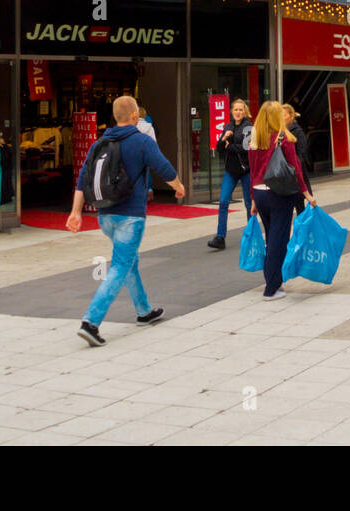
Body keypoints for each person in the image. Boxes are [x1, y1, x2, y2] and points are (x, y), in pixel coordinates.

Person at [68, 96, 186, 346]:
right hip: (130, 216)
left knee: (129, 260)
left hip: (105, 216)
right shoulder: (141, 141)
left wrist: (76, 212)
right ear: (135, 116)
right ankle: (91, 322)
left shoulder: (99, 143)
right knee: (120, 265)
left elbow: (82, 180)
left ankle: (144, 312)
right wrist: (178, 187)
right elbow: (164, 168)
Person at [248, 101, 314, 301]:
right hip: (279, 194)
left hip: (259, 193)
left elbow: (252, 173)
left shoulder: (254, 139)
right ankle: (271, 288)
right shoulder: (284, 139)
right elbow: (296, 169)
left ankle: (274, 281)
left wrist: (252, 200)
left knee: (271, 237)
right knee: (279, 240)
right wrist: (307, 194)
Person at [208, 98, 253, 251]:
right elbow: (219, 148)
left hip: (246, 170)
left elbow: (247, 148)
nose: (238, 112)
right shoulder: (228, 126)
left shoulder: (249, 126)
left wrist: (231, 146)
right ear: (232, 112)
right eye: (236, 110)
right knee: (223, 201)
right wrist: (225, 138)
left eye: (241, 109)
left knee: (248, 204)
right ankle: (220, 237)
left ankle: (251, 235)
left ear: (245, 111)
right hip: (231, 170)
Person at [282, 104, 313, 215]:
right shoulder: (280, 131)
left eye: (284, 115)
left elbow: (302, 152)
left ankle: (304, 228)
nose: (281, 117)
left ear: (291, 116)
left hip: (295, 172)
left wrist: (294, 167)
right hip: (286, 173)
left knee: (299, 204)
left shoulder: (297, 131)